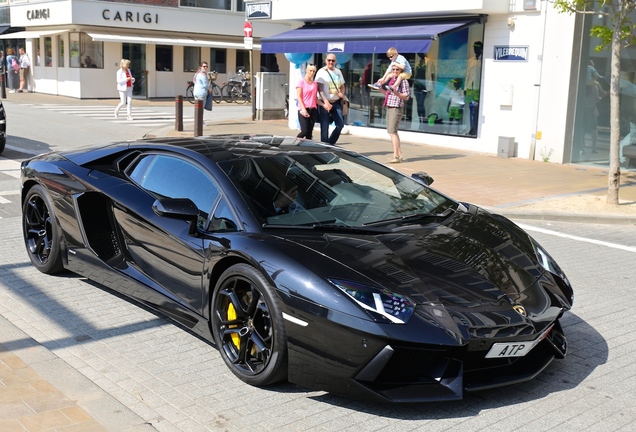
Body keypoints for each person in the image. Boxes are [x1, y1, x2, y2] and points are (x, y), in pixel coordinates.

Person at [378, 65, 410, 163]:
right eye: (394, 69)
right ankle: (399, 154)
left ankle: (396, 156)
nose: (395, 71)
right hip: (389, 106)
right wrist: (380, 89)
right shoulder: (392, 80)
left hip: (396, 108)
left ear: (401, 71)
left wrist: (397, 93)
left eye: (397, 69)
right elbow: (389, 94)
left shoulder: (403, 81)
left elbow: (406, 96)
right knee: (393, 132)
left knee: (392, 132)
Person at [315, 54, 345, 145]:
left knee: (340, 125)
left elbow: (342, 86)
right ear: (325, 60)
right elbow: (319, 88)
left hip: (336, 102)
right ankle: (324, 147)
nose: (331, 62)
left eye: (333, 60)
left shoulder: (338, 71)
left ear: (335, 61)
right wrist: (326, 102)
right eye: (329, 60)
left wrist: (342, 93)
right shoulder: (321, 72)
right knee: (325, 128)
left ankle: (330, 144)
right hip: (325, 103)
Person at [296, 64, 326, 140]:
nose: (312, 73)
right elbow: (299, 96)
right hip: (303, 109)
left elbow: (315, 99)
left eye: (313, 71)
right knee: (304, 131)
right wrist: (303, 109)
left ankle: (307, 150)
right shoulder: (301, 82)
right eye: (310, 71)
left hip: (313, 109)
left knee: (309, 134)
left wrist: (323, 105)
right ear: (306, 70)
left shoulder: (314, 84)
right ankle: (294, 143)